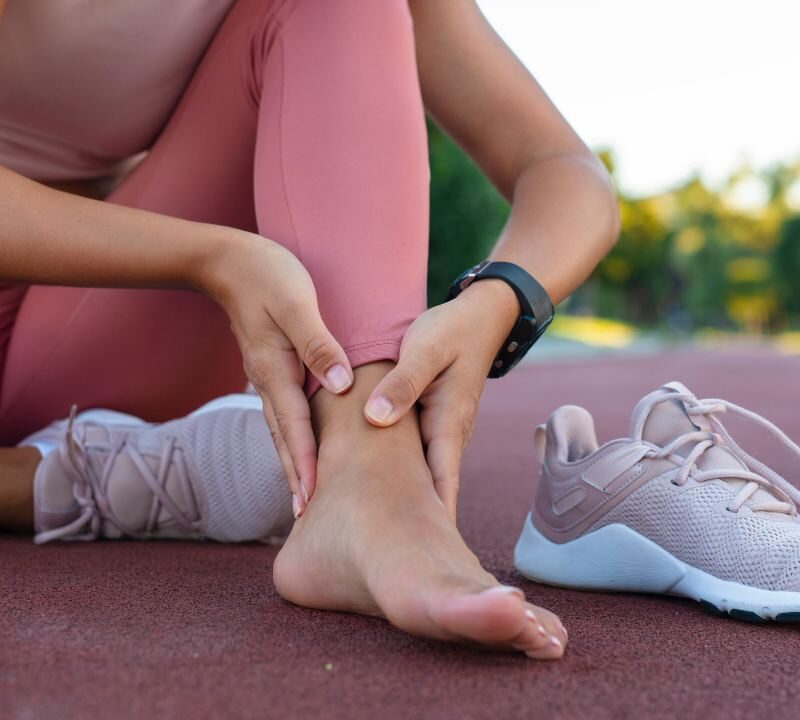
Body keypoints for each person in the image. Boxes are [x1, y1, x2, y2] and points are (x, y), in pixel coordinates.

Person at [0, 0, 618, 658]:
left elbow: (563, 168)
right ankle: (60, 479)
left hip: (73, 329)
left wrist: (499, 297)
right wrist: (209, 255)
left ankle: (369, 483)